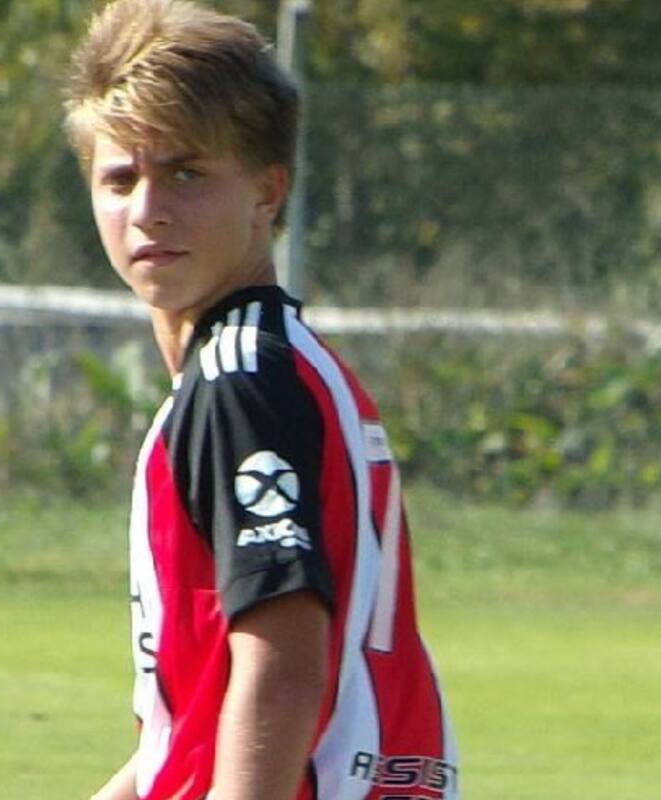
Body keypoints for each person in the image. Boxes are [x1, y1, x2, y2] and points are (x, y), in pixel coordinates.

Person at [63, 1, 458, 798]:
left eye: (187, 173)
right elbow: (190, 730)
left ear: (268, 193)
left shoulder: (241, 379)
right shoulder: (281, 363)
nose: (148, 210)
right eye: (120, 178)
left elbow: (282, 667)